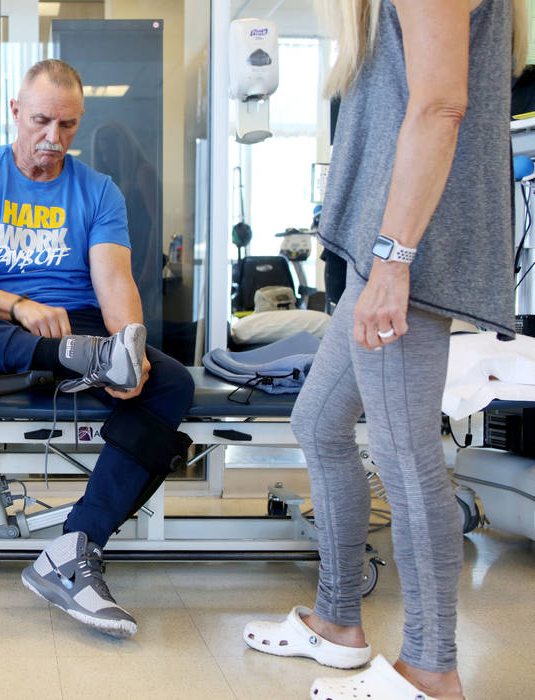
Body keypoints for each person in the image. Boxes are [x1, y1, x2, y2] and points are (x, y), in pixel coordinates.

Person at [242, 1, 526, 699]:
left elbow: (440, 107)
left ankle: (431, 669)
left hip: (412, 247)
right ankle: (338, 622)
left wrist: (395, 260)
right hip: (390, 245)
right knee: (319, 422)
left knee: (405, 456)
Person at [0, 59, 194, 639]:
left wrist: (129, 346)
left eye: (68, 125)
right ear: (16, 112)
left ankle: (73, 550)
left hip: (80, 337)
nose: (54, 138)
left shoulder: (98, 191)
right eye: (43, 121)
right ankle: (59, 359)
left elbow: (116, 281)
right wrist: (19, 308)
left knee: (172, 381)